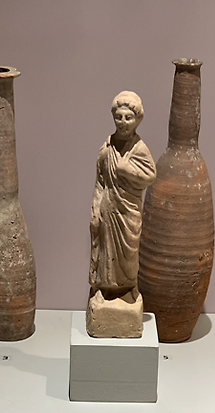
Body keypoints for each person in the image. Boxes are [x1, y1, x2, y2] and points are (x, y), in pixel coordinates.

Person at [89, 91, 157, 301]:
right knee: (106, 251)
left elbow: (150, 176)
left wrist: (127, 170)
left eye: (128, 118)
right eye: (119, 117)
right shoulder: (106, 147)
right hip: (108, 207)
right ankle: (106, 289)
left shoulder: (139, 148)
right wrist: (96, 207)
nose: (123, 122)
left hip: (129, 210)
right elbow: (100, 181)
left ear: (137, 120)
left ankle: (128, 289)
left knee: (129, 253)